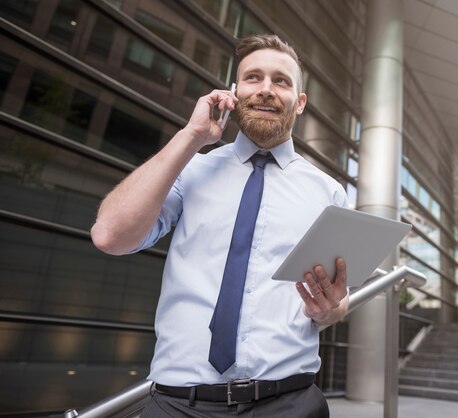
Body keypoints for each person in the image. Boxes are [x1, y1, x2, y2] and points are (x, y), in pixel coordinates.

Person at [91, 34, 349, 417]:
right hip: (180, 404)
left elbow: (338, 299)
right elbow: (110, 236)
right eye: (252, 78)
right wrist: (192, 137)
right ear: (232, 92)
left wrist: (329, 310)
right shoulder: (190, 168)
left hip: (291, 403)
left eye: (280, 81)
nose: (265, 89)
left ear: (300, 103)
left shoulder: (328, 192)